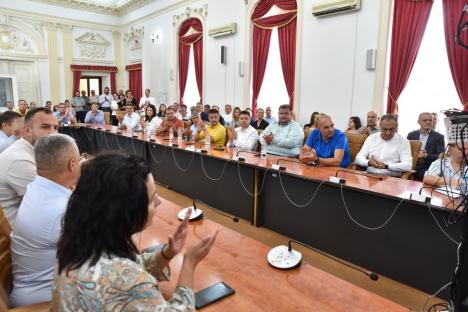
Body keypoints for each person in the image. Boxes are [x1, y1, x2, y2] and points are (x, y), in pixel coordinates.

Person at [51, 152, 218, 310]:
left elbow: (130, 266)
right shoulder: (130, 283)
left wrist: (168, 253)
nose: (159, 202)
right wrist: (189, 263)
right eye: (152, 199)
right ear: (126, 211)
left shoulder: (79, 243)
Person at [9, 134, 80, 307]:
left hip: (29, 290)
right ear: (72, 164)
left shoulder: (36, 187)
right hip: (44, 301)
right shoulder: (61, 211)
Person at [0, 108, 58, 227]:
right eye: (45, 127)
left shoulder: (32, 151)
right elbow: (51, 205)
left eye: (56, 127)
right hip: (20, 237)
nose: (53, 134)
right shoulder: (18, 160)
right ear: (27, 130)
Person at [407, 112, 445, 181]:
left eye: (430, 120)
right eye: (425, 120)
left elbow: (441, 156)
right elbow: (405, 151)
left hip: (427, 167)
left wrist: (426, 155)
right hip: (411, 164)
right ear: (419, 122)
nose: (428, 122)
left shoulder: (439, 137)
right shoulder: (411, 135)